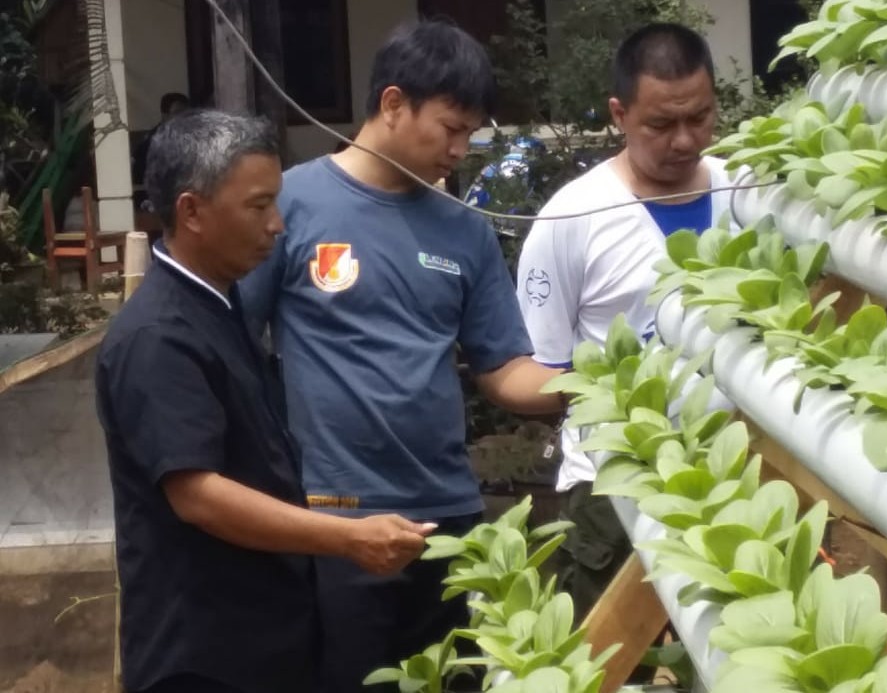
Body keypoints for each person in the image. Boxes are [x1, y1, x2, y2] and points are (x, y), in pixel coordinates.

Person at [239, 20, 563, 693]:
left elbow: (505, 369)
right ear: (391, 105)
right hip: (335, 517)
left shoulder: (464, 229)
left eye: (470, 131)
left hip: (448, 520)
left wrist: (597, 384)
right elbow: (233, 344)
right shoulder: (292, 205)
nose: (460, 147)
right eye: (449, 127)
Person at [96, 110, 435, 693]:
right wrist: (349, 537)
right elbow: (198, 495)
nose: (278, 225)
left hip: (261, 642)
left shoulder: (219, 309)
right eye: (258, 206)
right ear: (192, 211)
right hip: (202, 656)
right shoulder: (158, 336)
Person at [515, 23, 742, 630]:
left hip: (733, 475)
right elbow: (545, 365)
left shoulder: (746, 194)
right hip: (611, 488)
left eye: (700, 118)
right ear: (619, 113)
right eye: (661, 125)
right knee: (609, 661)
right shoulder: (571, 218)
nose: (685, 139)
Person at [132, 91, 190, 208]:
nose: (182, 118)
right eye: (177, 113)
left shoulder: (189, 137)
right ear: (164, 115)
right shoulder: (153, 141)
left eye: (186, 113)